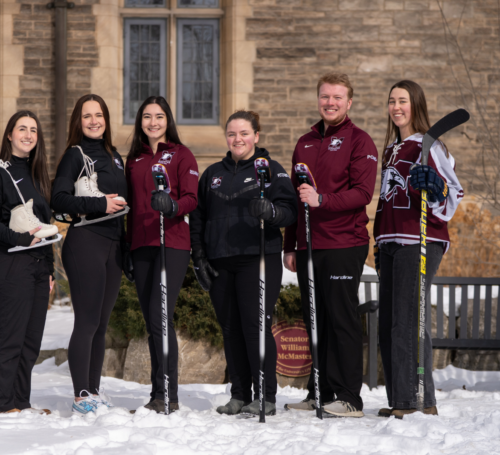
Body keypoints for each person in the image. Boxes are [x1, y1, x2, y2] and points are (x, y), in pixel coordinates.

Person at [283, 73, 378, 418]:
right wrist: (290, 245)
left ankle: (350, 396)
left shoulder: (359, 141)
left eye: (338, 97)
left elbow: (362, 194)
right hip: (309, 246)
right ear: (318, 99)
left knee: (341, 319)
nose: (330, 103)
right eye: (325, 97)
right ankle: (319, 391)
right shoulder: (305, 142)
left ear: (349, 102)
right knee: (315, 319)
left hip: (343, 242)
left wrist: (322, 199)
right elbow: (296, 200)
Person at [190, 111, 297, 416]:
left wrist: (272, 212)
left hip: (258, 259)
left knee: (255, 326)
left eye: (244, 134)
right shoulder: (212, 174)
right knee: (230, 328)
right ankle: (239, 394)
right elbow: (197, 218)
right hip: (220, 260)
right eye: (232, 134)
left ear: (256, 136)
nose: (238, 139)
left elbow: (290, 211)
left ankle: (266, 395)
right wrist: (198, 255)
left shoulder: (271, 171)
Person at [374, 80, 463, 419]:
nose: (396, 107)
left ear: (416, 105)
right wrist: (379, 244)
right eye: (392, 101)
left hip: (419, 240)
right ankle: (403, 397)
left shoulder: (430, 146)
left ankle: (416, 401)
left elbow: (452, 193)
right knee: (390, 323)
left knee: (407, 319)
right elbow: (387, 201)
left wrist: (436, 187)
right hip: (392, 242)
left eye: (403, 101)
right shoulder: (392, 150)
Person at [51, 95, 128, 414]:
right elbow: (59, 199)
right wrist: (99, 204)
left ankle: (93, 390)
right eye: (87, 116)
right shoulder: (74, 155)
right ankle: (81, 395)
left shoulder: (115, 156)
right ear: (78, 122)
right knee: (86, 321)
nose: (94, 121)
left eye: (99, 115)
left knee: (101, 322)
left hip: (114, 246)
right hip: (86, 243)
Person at [0, 110, 56, 414]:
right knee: (11, 339)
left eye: (33, 130)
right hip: (11, 263)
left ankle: (20, 402)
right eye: (21, 129)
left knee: (30, 342)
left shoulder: (39, 175)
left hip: (37, 266)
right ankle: (0, 402)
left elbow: (45, 227)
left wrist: (49, 269)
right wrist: (20, 239)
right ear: (9, 134)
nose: (28, 135)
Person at [124, 96, 199, 413]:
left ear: (168, 119)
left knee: (160, 317)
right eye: (146, 117)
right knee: (153, 320)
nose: (153, 122)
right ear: (140, 121)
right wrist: (127, 248)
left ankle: (168, 394)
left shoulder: (182, 155)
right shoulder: (134, 160)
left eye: (159, 116)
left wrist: (174, 206)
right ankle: (158, 393)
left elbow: (192, 199)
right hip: (141, 246)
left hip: (173, 244)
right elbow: (129, 207)